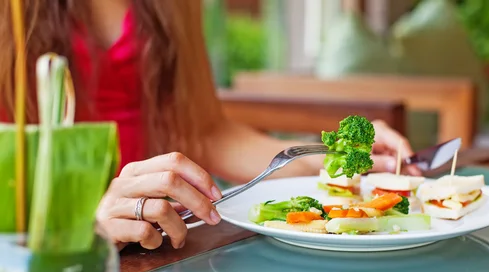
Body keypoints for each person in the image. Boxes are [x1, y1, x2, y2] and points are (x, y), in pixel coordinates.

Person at [0, 0, 418, 250]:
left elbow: (204, 131)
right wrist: (83, 224)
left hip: (150, 250)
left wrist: (335, 158)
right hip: (34, 251)